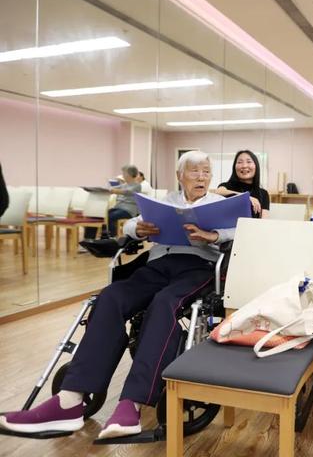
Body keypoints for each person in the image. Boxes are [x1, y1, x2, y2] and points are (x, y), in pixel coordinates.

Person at [0, 151, 236, 439]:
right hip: (159, 263)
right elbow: (129, 225)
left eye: (206, 171)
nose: (202, 176)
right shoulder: (165, 202)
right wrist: (139, 228)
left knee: (164, 304)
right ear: (179, 176)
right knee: (109, 297)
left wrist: (214, 236)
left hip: (199, 267)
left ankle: (131, 405)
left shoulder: (220, 204)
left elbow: (241, 231)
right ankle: (70, 401)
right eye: (195, 171)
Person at [85, 164, 142, 239]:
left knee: (110, 217)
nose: (123, 175)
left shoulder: (137, 185)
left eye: (124, 173)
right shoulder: (124, 184)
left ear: (130, 174)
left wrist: (113, 190)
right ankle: (89, 239)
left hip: (128, 211)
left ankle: (112, 238)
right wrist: (101, 189)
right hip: (118, 208)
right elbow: (111, 188)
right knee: (98, 215)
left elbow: (127, 192)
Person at [215, 150, 270, 219]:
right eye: (240, 162)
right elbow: (218, 192)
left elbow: (264, 220)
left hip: (252, 229)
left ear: (256, 166)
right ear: (234, 167)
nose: (244, 166)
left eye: (249, 162)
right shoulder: (227, 186)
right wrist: (246, 197)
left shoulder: (263, 193)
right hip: (227, 229)